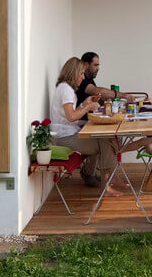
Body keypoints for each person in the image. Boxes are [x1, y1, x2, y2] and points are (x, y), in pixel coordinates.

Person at [50, 56, 123, 191]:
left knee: (105, 139)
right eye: (81, 73)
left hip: (68, 134)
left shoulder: (65, 88)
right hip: (64, 138)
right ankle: (108, 183)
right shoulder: (65, 89)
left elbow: (69, 114)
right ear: (73, 73)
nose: (83, 77)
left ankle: (104, 179)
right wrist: (87, 108)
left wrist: (84, 103)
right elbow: (71, 117)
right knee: (106, 141)